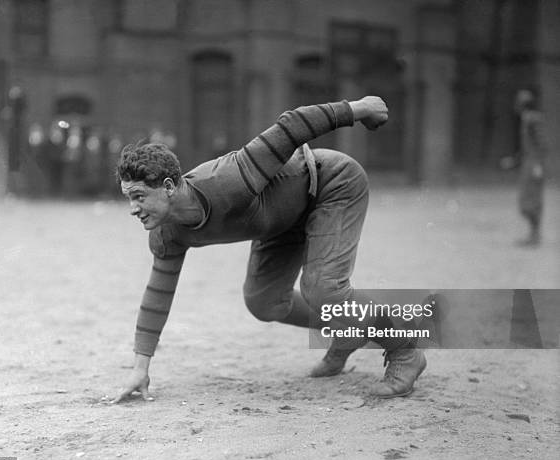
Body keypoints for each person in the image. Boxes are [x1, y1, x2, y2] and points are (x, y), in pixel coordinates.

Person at [112, 97, 426, 404]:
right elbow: (157, 296)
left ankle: (405, 348)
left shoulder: (228, 178)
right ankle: (348, 328)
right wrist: (140, 369)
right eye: (129, 198)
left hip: (330, 186)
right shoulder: (166, 233)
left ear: (168, 187)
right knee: (264, 302)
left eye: (139, 196)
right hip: (279, 223)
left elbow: (291, 126)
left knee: (323, 289)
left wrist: (359, 109)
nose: (133, 208)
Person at [514, 89, 548, 246]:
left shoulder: (532, 119)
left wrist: (538, 165)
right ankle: (533, 235)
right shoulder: (525, 119)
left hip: (534, 164)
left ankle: (535, 236)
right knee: (525, 200)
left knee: (532, 200)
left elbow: (541, 143)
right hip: (529, 163)